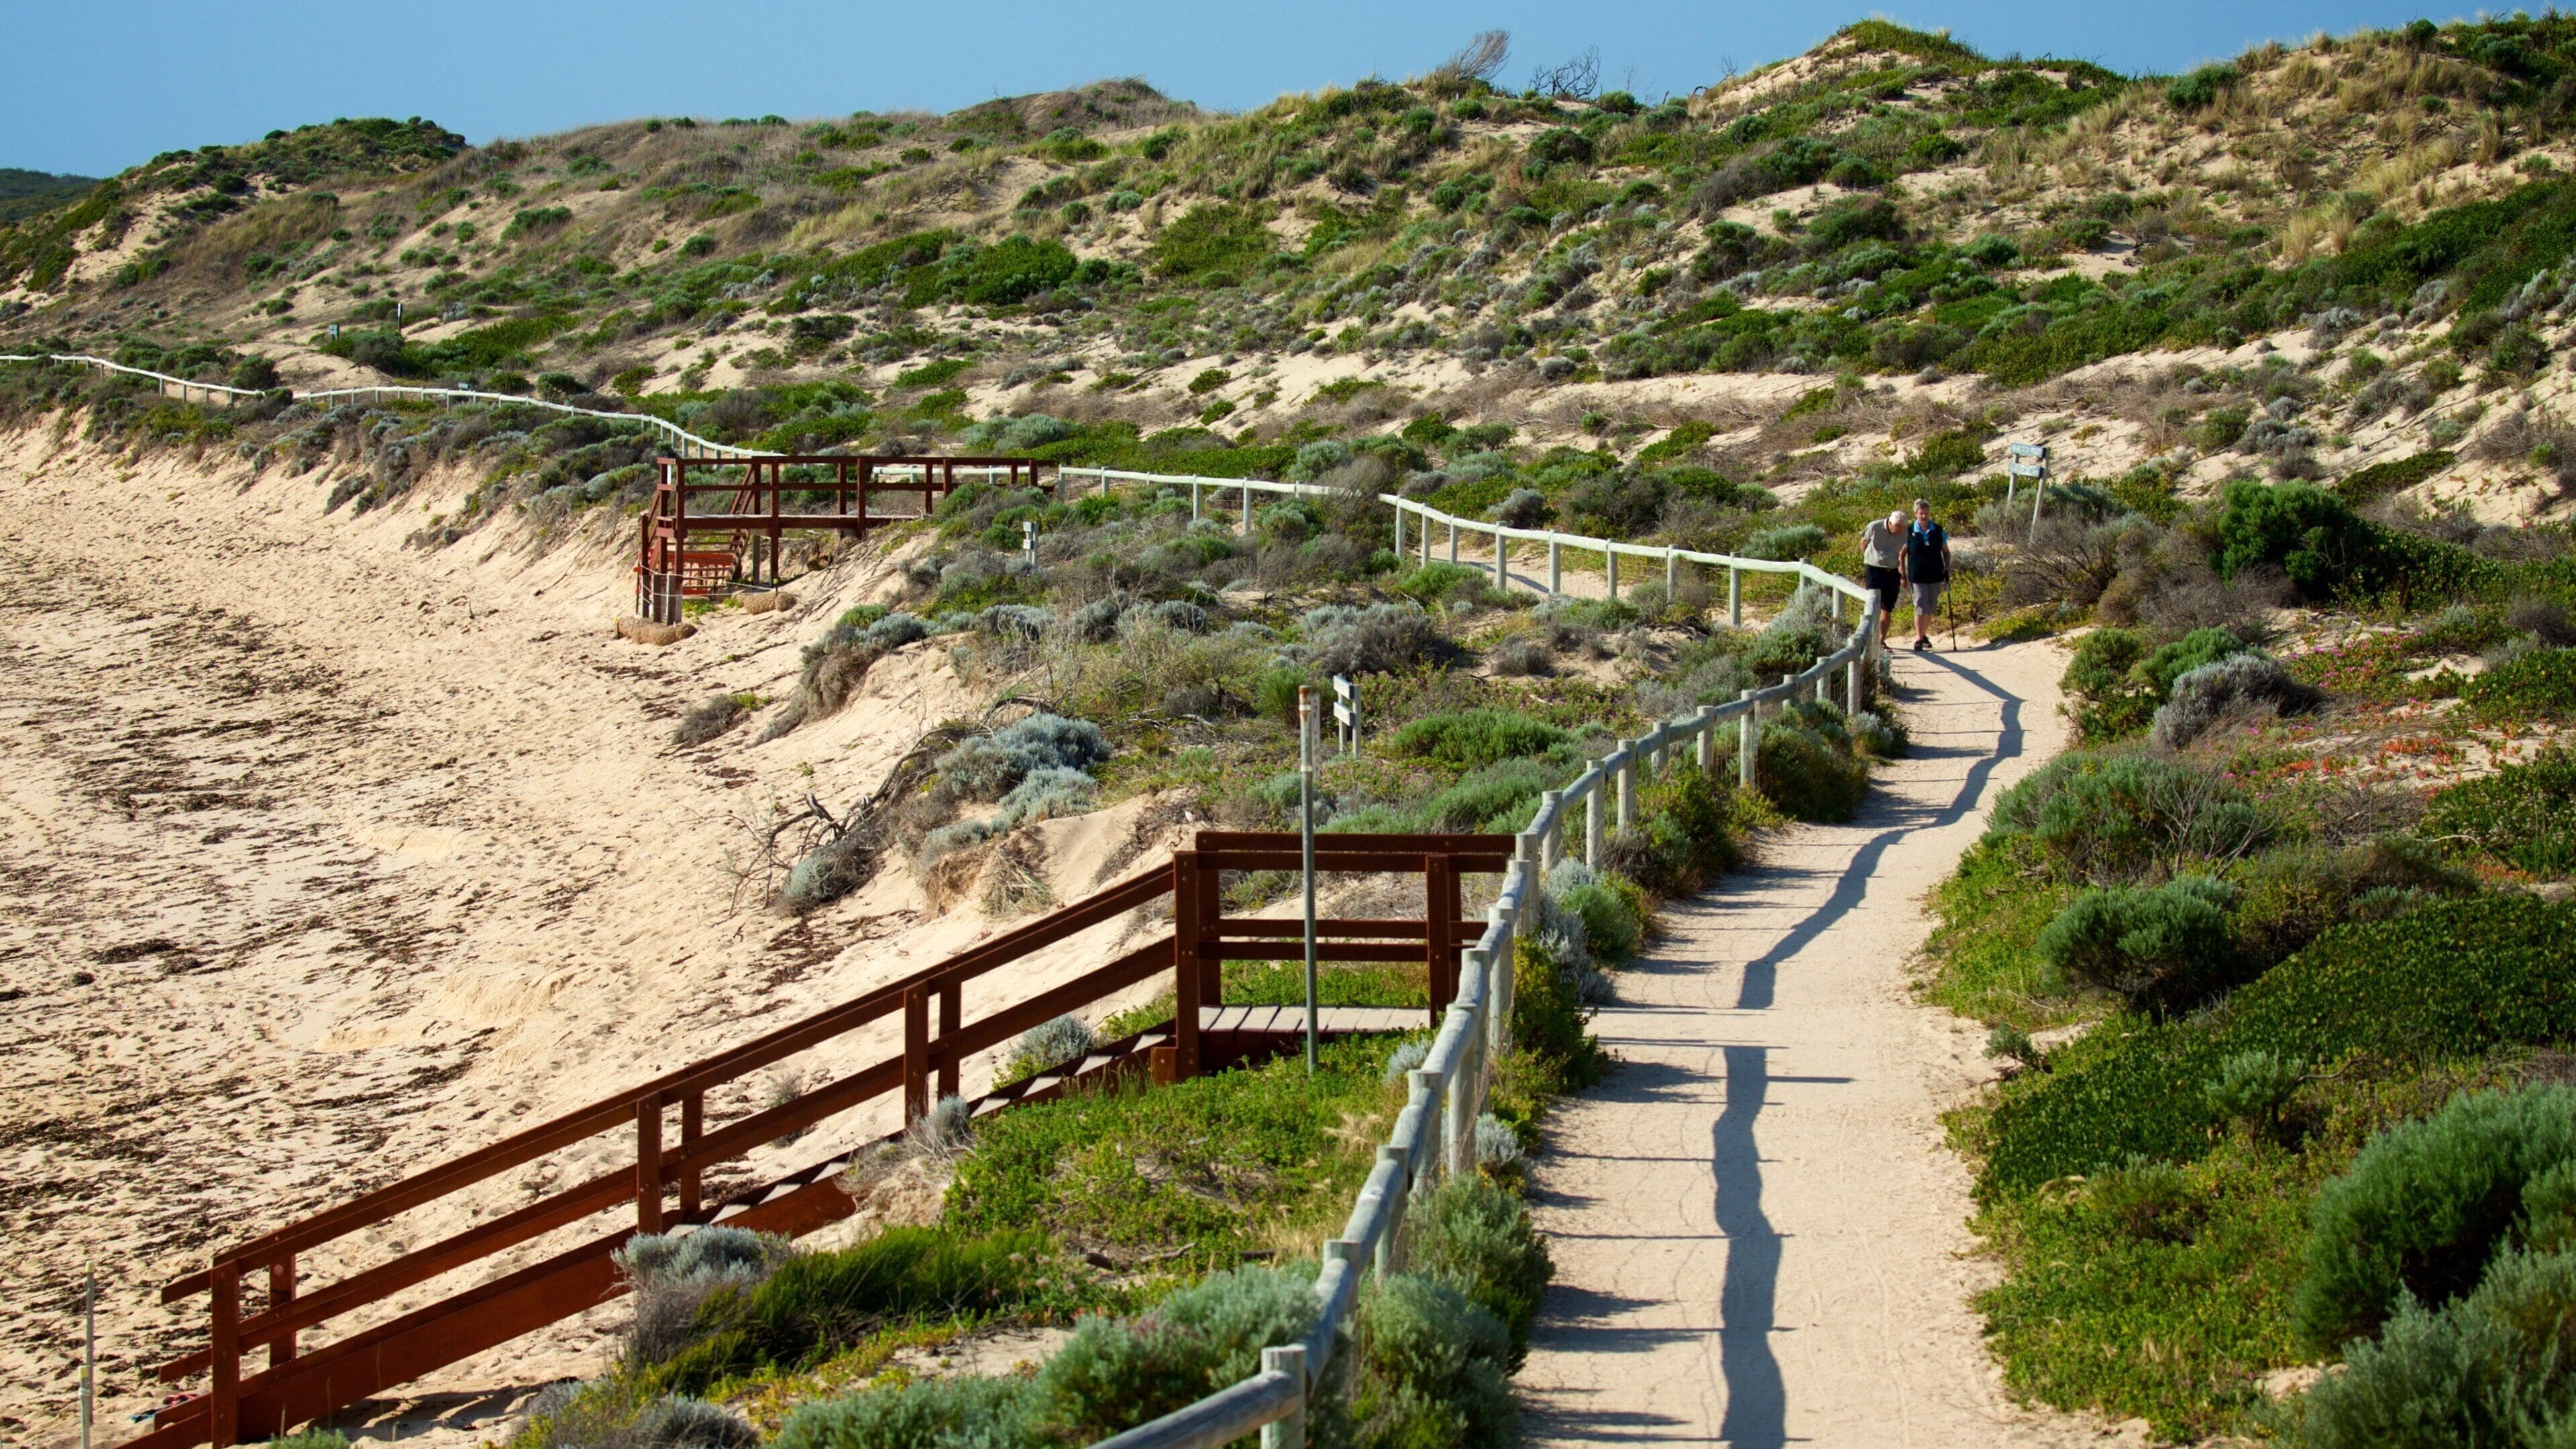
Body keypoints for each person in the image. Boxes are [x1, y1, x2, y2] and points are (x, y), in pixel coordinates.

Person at [1899, 496, 1951, 651]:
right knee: (1921, 605)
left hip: (1935, 574)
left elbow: (1946, 552)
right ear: (1915, 514)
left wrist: (1947, 566)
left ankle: (1923, 635)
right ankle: (1918, 638)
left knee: (1931, 607)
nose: (1924, 516)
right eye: (1921, 513)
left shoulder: (1938, 530)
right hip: (1918, 575)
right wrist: (1902, 575)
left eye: (1926, 513)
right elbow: (1901, 555)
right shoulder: (1908, 531)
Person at [1858, 509, 1904, 639]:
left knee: (1888, 607)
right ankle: (1869, 639)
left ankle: (1881, 640)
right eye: (1897, 528)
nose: (1899, 531)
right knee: (1873, 604)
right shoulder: (1874, 527)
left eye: (1901, 529)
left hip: (1892, 572)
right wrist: (1870, 559)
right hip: (1874, 570)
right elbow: (1864, 543)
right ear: (1890, 523)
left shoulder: (1904, 531)